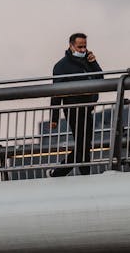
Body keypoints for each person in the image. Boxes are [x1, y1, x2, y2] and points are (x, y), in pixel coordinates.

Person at [48, 32, 103, 177]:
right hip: (73, 109)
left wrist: (94, 62)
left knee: (85, 144)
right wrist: (54, 118)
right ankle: (80, 174)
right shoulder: (61, 66)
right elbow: (56, 93)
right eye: (80, 47)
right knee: (83, 144)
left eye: (85, 46)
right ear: (71, 46)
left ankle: (59, 173)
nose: (83, 50)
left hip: (88, 108)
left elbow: (101, 79)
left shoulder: (87, 61)